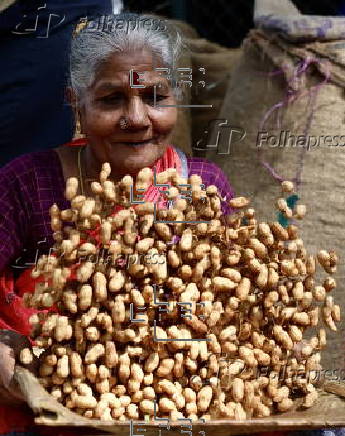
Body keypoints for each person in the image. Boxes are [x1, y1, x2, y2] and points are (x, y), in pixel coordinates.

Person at [0, 13, 235, 435]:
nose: (137, 118)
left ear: (176, 100)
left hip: (175, 401)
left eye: (155, 97)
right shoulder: (26, 182)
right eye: (111, 99)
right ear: (77, 103)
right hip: (45, 401)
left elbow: (235, 310)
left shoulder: (205, 186)